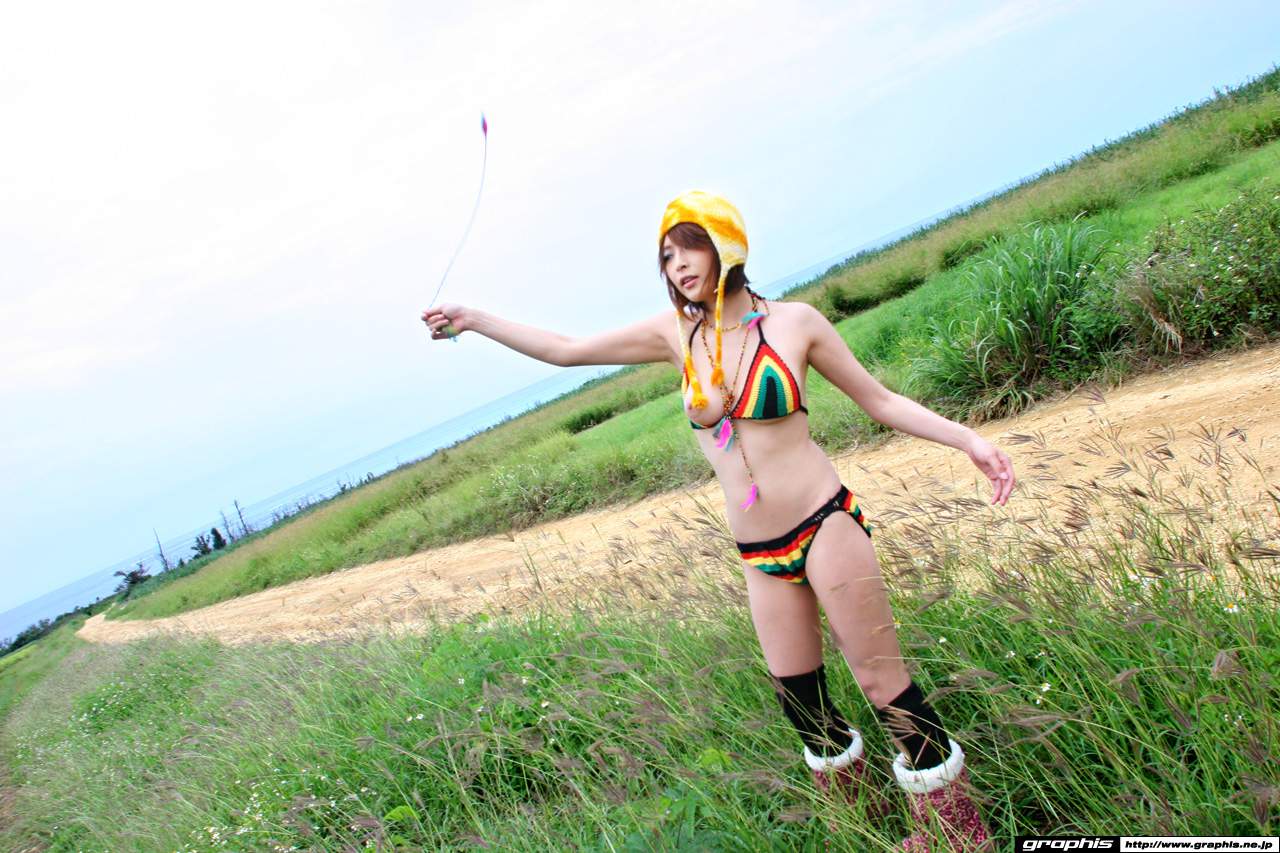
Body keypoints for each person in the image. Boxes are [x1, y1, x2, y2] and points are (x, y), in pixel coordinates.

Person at [422, 190, 1013, 851]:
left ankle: (961, 836)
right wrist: (475, 319)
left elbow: (879, 400)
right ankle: (861, 824)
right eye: (665, 256)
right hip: (759, 550)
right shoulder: (674, 335)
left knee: (882, 682)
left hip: (825, 523)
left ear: (725, 245)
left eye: (689, 247)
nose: (677, 265)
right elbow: (566, 348)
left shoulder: (796, 323)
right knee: (802, 702)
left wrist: (969, 440)